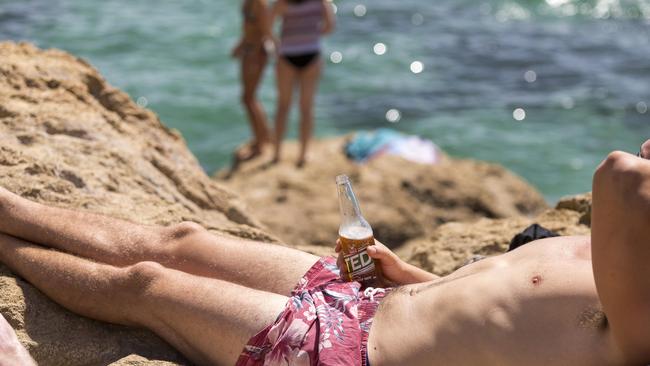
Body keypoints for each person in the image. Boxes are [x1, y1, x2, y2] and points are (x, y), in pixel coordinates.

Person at [0, 141, 650, 365]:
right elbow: (518, 311)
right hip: (379, 296)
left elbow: (622, 175)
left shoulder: (642, 321)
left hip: (344, 352)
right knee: (181, 242)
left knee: (147, 286)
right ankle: (10, 209)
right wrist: (412, 275)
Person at [270, 0, 335, 167]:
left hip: (287, 54)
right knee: (306, 108)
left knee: (283, 106)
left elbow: (268, 25)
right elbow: (329, 27)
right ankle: (303, 154)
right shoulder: (321, 2)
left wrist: (279, 42)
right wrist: (312, 33)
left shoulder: (282, 3)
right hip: (311, 53)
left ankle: (277, 154)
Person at [231, 0, 272, 166]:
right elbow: (249, 27)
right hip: (248, 49)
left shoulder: (260, 4)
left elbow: (266, 33)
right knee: (248, 98)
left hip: (255, 53)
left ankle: (261, 143)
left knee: (249, 98)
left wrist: (254, 56)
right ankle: (262, 137)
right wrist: (241, 45)